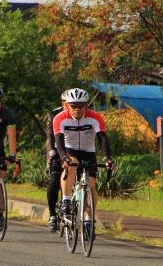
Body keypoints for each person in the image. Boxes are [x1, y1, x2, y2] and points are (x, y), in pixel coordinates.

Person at [53, 88, 115, 235]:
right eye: (73, 106)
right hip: (69, 150)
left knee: (91, 186)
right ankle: (66, 200)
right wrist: (64, 157)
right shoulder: (60, 118)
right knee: (71, 163)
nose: (77, 109)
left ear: (87, 105)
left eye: (81, 106)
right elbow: (58, 140)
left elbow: (102, 138)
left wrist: (106, 157)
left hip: (88, 152)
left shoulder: (95, 117)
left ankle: (88, 219)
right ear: (67, 105)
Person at [46, 90, 69, 232]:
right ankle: (52, 214)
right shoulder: (55, 114)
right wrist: (51, 153)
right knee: (54, 180)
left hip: (74, 151)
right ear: (63, 103)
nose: (74, 107)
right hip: (57, 148)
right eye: (69, 104)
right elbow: (50, 136)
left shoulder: (85, 112)